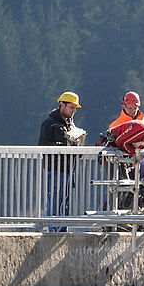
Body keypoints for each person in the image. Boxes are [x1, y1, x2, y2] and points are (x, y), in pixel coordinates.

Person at [38, 91, 86, 230]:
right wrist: (65, 146)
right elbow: (43, 146)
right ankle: (53, 229)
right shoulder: (49, 123)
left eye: (75, 108)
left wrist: (79, 145)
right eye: (71, 107)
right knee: (54, 200)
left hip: (69, 169)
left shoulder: (71, 125)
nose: (74, 111)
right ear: (62, 105)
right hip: (54, 169)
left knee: (64, 201)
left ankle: (61, 228)